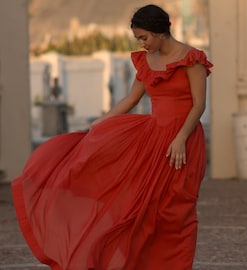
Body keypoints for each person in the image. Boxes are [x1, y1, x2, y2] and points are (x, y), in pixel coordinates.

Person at [12, 4, 213, 270]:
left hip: (183, 142)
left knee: (178, 208)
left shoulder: (191, 58)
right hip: (153, 139)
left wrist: (180, 138)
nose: (141, 44)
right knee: (142, 208)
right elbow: (130, 99)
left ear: (160, 32)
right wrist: (101, 122)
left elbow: (199, 104)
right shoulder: (146, 61)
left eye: (144, 37)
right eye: (138, 39)